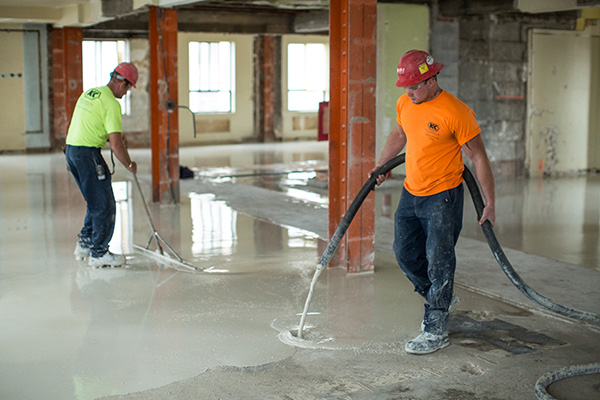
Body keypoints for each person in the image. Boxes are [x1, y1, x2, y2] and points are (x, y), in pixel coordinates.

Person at [368, 50, 495, 355]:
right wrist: (383, 165)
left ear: (431, 80)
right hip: (412, 191)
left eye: (413, 87)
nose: (408, 93)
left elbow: (477, 156)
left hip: (443, 195)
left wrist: (489, 201)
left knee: (439, 259)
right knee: (404, 252)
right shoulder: (405, 103)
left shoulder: (456, 111)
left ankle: (436, 327)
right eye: (405, 87)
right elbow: (400, 133)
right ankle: (440, 297)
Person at [65, 62, 139, 268]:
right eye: (128, 88)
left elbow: (91, 125)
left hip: (72, 151)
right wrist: (130, 164)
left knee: (94, 199)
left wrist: (111, 139)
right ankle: (99, 253)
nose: (126, 93)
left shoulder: (91, 93)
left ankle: (85, 243)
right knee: (105, 204)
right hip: (87, 153)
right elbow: (116, 145)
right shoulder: (112, 104)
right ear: (122, 84)